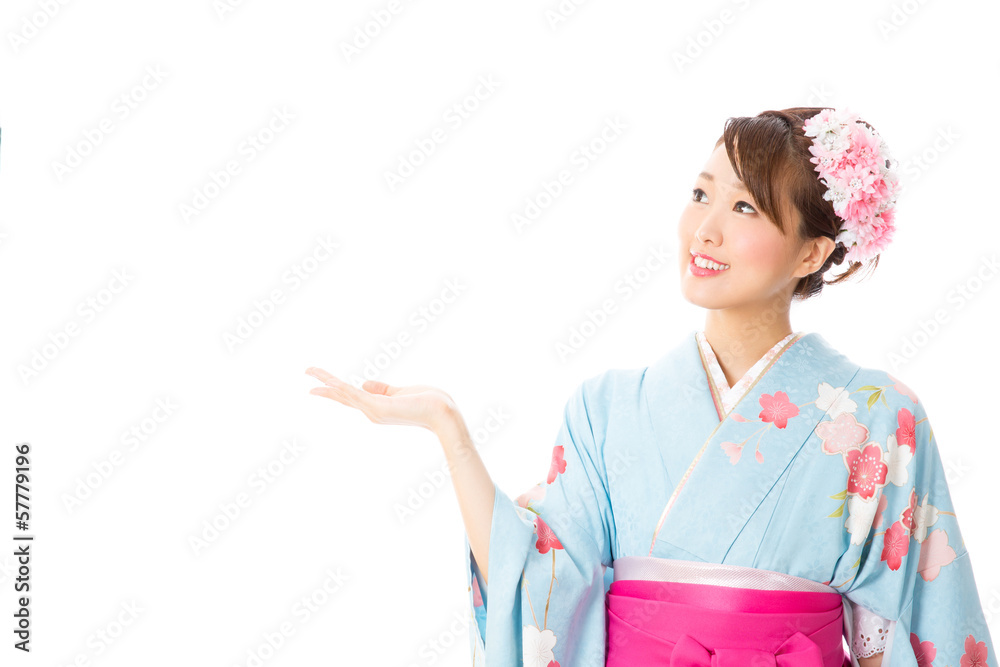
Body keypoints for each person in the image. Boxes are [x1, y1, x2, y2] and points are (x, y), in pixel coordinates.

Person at [305, 107, 996, 666]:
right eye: (700, 195)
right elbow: (541, 585)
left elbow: (905, 627)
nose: (706, 228)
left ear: (812, 252)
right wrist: (449, 430)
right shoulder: (606, 409)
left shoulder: (880, 417)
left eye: (746, 208)